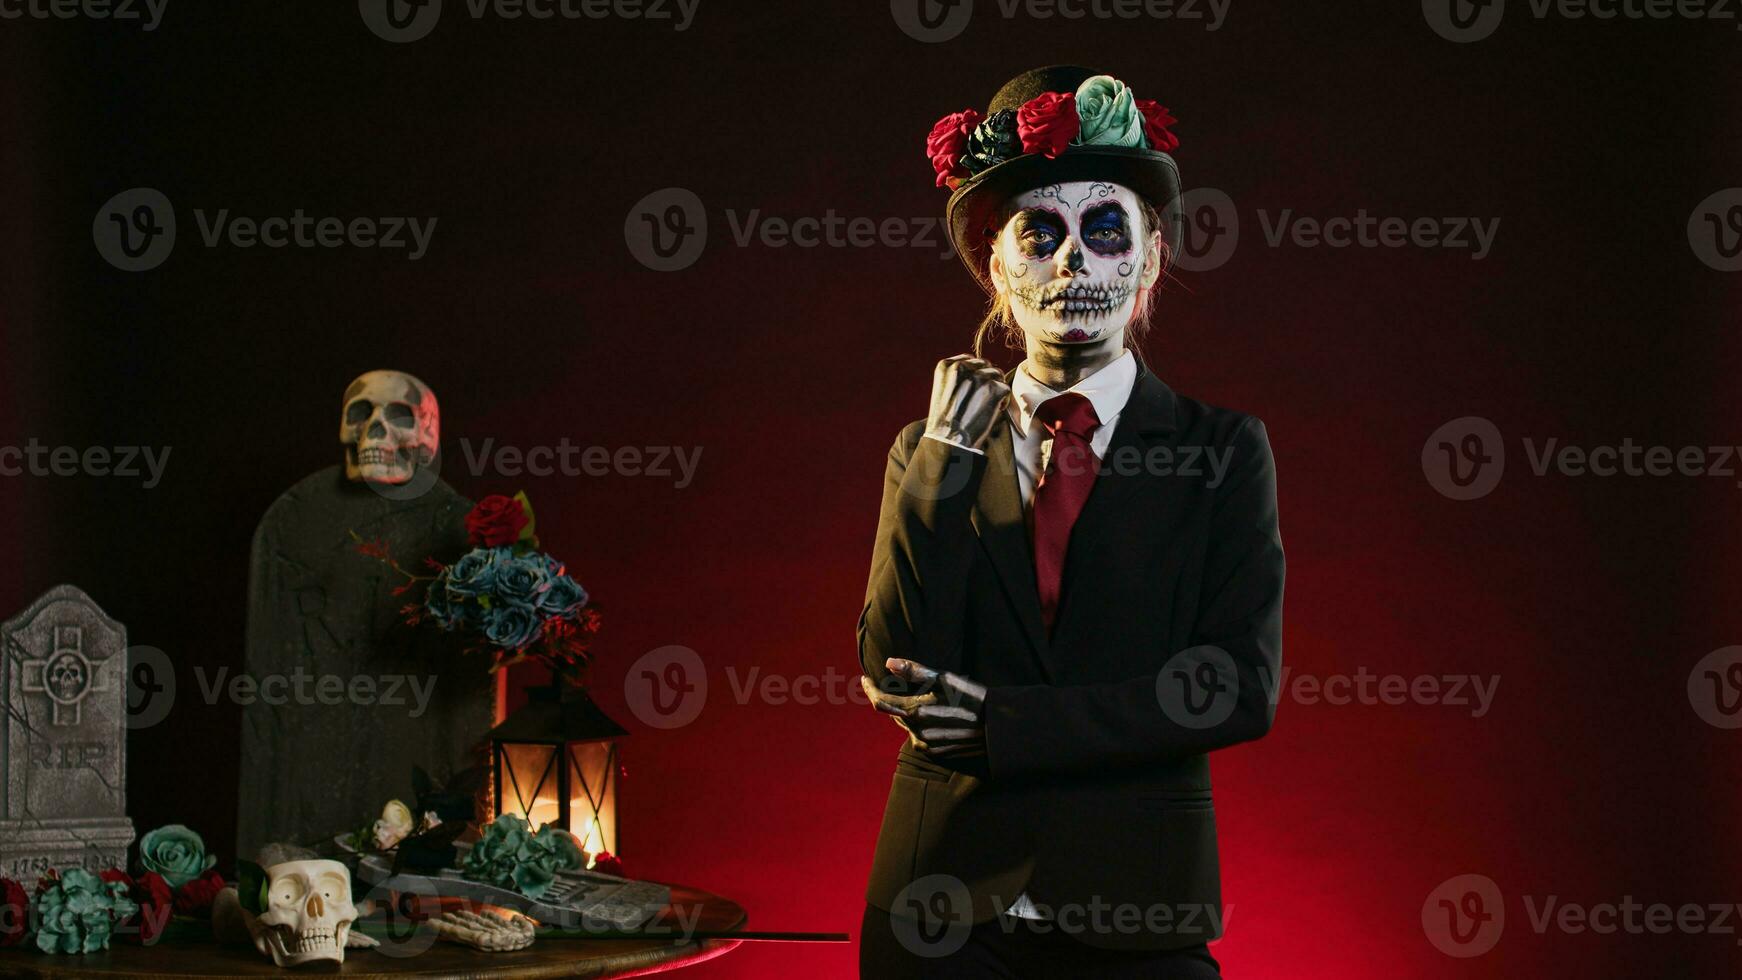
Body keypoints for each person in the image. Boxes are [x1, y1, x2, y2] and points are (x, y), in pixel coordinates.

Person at [856, 65, 1285, 979]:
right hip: (939, 918)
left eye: (1102, 231)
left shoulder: (1224, 451)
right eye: (1040, 234)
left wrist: (1011, 726)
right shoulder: (926, 450)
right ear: (995, 263)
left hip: (1138, 914)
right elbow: (888, 662)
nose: (1072, 262)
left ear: (1150, 259)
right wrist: (944, 462)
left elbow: (1237, 685)